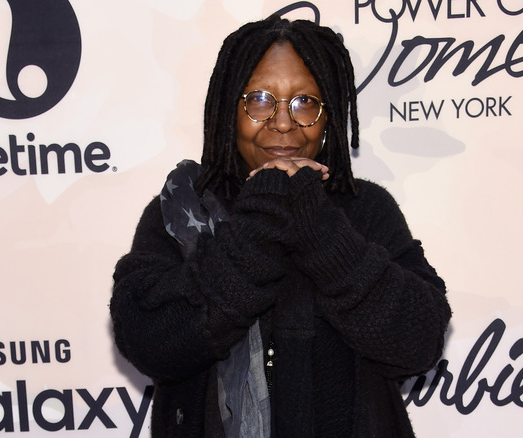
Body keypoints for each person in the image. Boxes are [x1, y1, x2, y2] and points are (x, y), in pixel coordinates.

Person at [110, 15, 451, 438]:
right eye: (259, 99)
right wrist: (258, 222)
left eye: (305, 102)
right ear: (227, 110)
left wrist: (321, 228)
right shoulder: (183, 212)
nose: (284, 122)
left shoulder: (365, 210)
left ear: (329, 117)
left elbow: (417, 341)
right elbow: (149, 341)